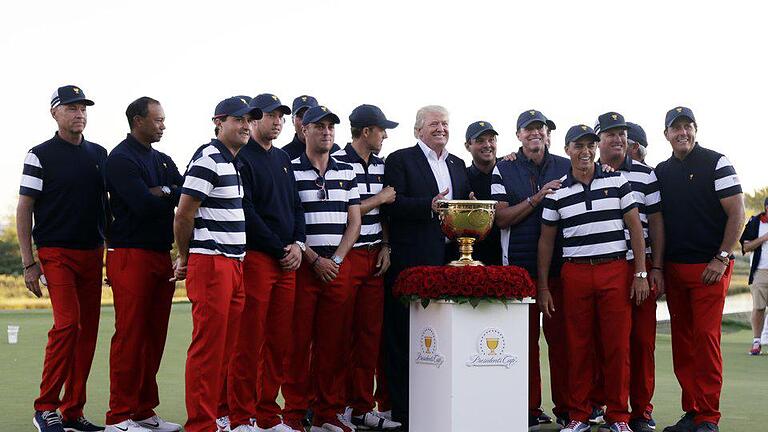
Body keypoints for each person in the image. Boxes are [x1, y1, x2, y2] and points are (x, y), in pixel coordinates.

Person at [538, 124, 649, 432]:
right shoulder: (557, 190)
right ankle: (578, 415)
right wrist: (544, 285)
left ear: (596, 147)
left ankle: (618, 416)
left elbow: (635, 229)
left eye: (590, 145)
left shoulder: (617, 180)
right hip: (575, 271)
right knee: (578, 346)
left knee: (617, 346)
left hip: (615, 268)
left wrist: (640, 272)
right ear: (567, 150)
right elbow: (546, 241)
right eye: (578, 145)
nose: (585, 151)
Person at [18, 85, 108, 432]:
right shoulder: (39, 154)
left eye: (83, 108)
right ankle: (45, 407)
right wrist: (29, 263)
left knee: (87, 334)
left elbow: (107, 208)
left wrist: (110, 251)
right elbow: (25, 208)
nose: (79, 113)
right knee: (68, 324)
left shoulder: (99, 154)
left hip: (92, 251)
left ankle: (73, 411)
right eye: (71, 108)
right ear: (55, 113)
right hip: (55, 252)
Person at [173, 97, 261, 432]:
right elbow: (183, 213)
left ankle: (213, 418)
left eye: (248, 120)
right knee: (209, 350)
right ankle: (200, 424)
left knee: (226, 349)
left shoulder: (232, 162)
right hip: (212, 263)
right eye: (237, 119)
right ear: (218, 123)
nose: (244, 125)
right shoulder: (209, 158)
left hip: (234, 264)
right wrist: (185, 255)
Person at [382, 105, 472, 431]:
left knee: (442, 339)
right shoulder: (400, 160)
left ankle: (441, 406)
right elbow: (392, 205)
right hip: (410, 263)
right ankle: (404, 412)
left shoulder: (458, 164)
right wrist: (428, 206)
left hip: (449, 264)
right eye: (434, 123)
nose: (441, 128)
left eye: (445, 123)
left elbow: (467, 205)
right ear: (418, 129)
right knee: (404, 338)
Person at [655, 106, 744, 432]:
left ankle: (708, 416)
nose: (682, 133)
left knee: (705, 340)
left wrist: (721, 257)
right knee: (683, 344)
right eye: (675, 128)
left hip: (710, 269)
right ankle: (692, 411)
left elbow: (738, 213)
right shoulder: (661, 171)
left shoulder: (716, 162)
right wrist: (659, 268)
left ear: (695, 129)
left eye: (687, 126)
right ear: (666, 134)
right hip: (676, 270)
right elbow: (658, 223)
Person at [223, 93, 306, 432]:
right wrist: (280, 248)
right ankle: (242, 417)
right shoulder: (243, 158)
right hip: (260, 258)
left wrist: (298, 244)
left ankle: (268, 416)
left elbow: (296, 206)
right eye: (271, 116)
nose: (277, 121)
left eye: (281, 117)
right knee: (249, 342)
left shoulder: (283, 158)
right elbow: (248, 212)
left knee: (277, 342)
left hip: (287, 260)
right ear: (254, 120)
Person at [103, 97, 183, 432]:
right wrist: (166, 194)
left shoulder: (162, 159)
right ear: (138, 121)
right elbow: (140, 205)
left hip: (159, 254)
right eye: (158, 120)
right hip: (129, 254)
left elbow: (183, 192)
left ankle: (142, 409)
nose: (163, 125)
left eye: (164, 120)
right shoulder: (120, 158)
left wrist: (161, 190)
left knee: (154, 335)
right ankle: (119, 415)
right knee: (131, 335)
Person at [282, 105, 362, 432]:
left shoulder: (346, 170)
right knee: (298, 344)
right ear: (305, 131)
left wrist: (338, 260)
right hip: (304, 265)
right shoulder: (289, 169)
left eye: (331, 127)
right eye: (319, 127)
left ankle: (327, 413)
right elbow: (288, 220)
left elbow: (354, 221)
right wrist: (315, 259)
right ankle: (294, 414)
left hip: (337, 266)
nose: (326, 132)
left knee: (334, 345)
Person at [491, 109, 571, 429]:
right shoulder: (504, 168)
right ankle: (528, 408)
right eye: (530, 130)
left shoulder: (566, 167)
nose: (536, 134)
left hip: (560, 267)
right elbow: (501, 218)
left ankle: (567, 408)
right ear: (519, 136)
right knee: (524, 345)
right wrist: (538, 197)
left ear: (549, 134)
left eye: (542, 129)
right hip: (519, 271)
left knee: (562, 342)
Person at [332, 104, 401, 431]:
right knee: (340, 334)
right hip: (347, 255)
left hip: (374, 254)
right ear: (365, 132)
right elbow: (348, 209)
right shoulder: (337, 161)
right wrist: (380, 199)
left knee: (369, 335)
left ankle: (361, 406)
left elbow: (384, 214)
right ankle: (336, 406)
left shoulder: (381, 164)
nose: (385, 135)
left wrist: (386, 245)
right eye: (381, 129)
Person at [595, 112, 664, 432]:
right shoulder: (587, 174)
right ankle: (607, 406)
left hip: (641, 265)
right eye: (610, 134)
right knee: (606, 341)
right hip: (606, 265)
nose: (618, 139)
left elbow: (657, 224)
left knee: (641, 341)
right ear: (599, 141)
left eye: (622, 134)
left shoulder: (646, 175)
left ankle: (641, 411)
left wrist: (655, 268)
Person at [464, 120, 502, 266]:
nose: (487, 145)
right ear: (468, 146)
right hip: (472, 259)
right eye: (480, 141)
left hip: (508, 256)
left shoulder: (510, 170)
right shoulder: (461, 177)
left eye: (491, 140)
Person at [741, 197, 768, 355]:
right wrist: (764, 238)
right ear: (766, 207)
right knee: (759, 307)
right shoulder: (755, 222)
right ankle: (757, 342)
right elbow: (746, 246)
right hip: (760, 271)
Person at [283, 95, 340, 159]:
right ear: (293, 121)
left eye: (310, 117)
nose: (305, 122)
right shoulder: (283, 156)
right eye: (301, 116)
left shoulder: (336, 151)